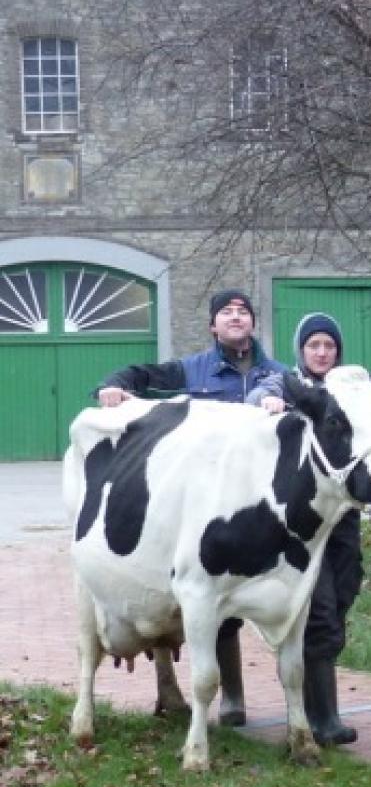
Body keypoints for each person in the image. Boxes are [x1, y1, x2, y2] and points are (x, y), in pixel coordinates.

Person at [96, 288, 287, 727]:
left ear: (253, 323)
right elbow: (144, 374)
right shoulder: (192, 370)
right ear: (212, 326)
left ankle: (291, 696)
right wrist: (115, 385)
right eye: (227, 312)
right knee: (217, 602)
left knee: (260, 597)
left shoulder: (275, 375)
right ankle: (232, 696)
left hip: (261, 502)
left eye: (243, 311)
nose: (236, 317)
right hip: (205, 502)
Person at [248, 312, 365, 746]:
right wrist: (268, 402)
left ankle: (318, 703)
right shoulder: (287, 383)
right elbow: (262, 392)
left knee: (343, 595)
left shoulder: (350, 387)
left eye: (329, 346)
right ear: (301, 350)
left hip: (344, 516)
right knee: (319, 609)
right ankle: (324, 719)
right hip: (301, 523)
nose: (322, 353)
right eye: (314, 345)